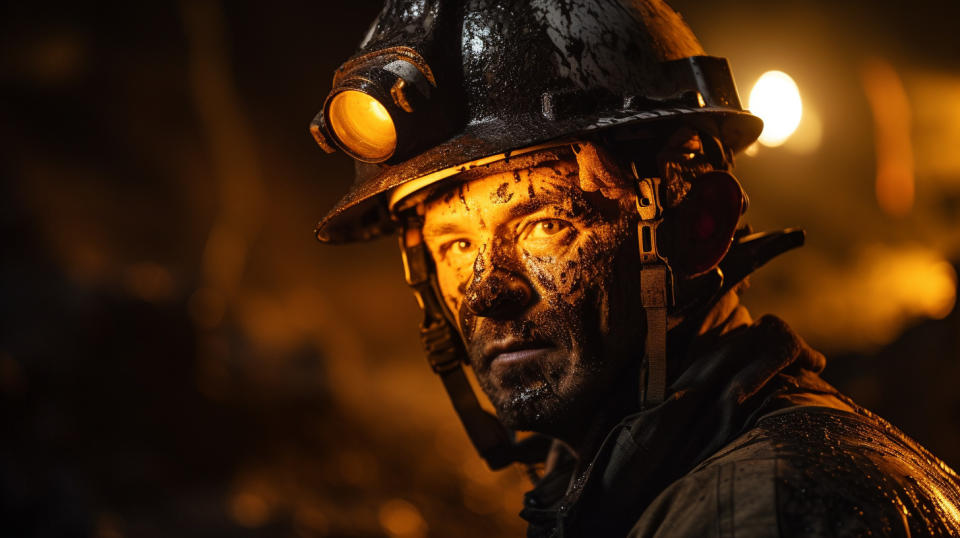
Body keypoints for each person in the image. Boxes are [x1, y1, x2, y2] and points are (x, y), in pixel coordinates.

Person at [309, 0, 960, 535]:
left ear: (699, 225)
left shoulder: (780, 507)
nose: (484, 290)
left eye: (545, 226)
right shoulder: (647, 491)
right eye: (454, 246)